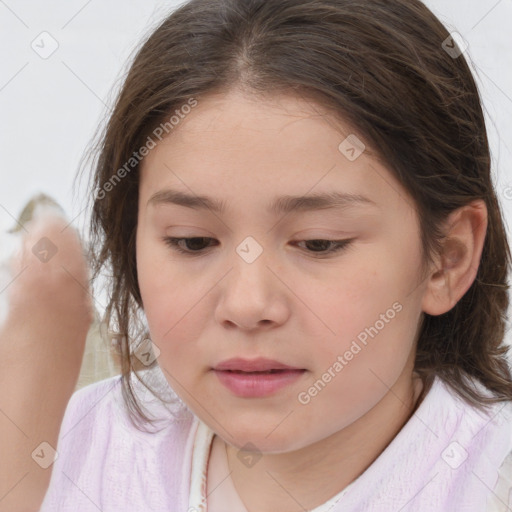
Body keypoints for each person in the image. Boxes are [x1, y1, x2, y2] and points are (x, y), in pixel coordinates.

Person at [2, 0, 512, 510]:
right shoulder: (68, 448)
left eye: (319, 243)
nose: (247, 305)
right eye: (192, 241)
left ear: (447, 258)